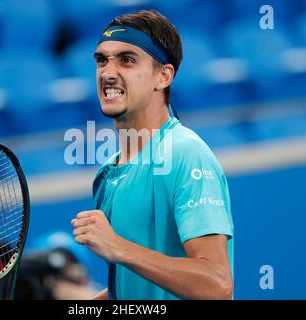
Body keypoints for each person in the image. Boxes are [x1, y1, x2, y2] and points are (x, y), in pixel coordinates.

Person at [71, 10, 234, 300]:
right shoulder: (108, 173)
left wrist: (118, 247)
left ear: (163, 76)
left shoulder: (186, 154)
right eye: (101, 60)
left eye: (127, 60)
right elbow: (135, 291)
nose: (107, 73)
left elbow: (217, 285)